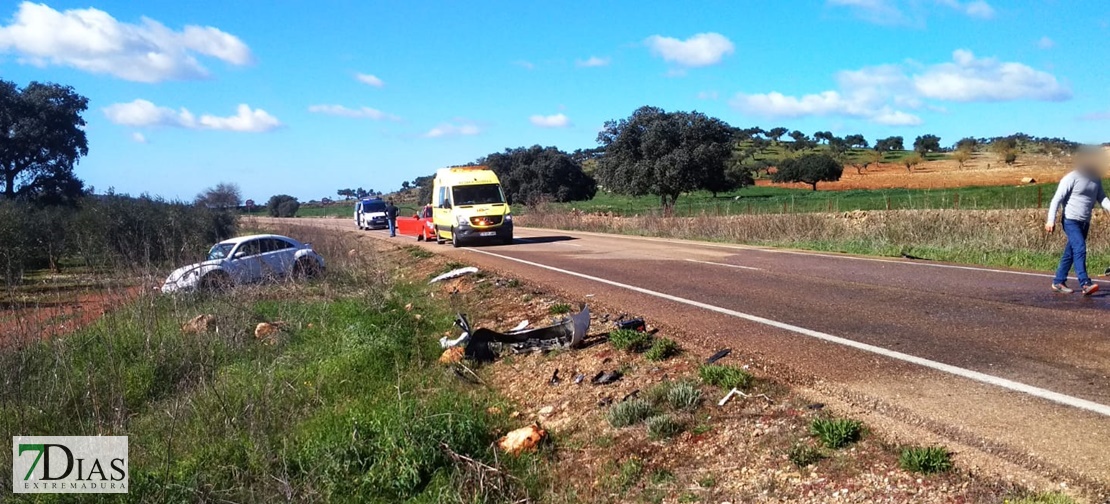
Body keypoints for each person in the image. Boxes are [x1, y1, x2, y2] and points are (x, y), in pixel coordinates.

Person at [1046, 148, 1110, 295]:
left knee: (1071, 252)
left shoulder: (1096, 179)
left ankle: (1058, 281)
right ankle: (1085, 283)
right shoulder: (1071, 178)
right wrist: (1051, 220)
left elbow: (1102, 199)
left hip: (1084, 222)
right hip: (1070, 220)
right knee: (1080, 248)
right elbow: (1056, 199)